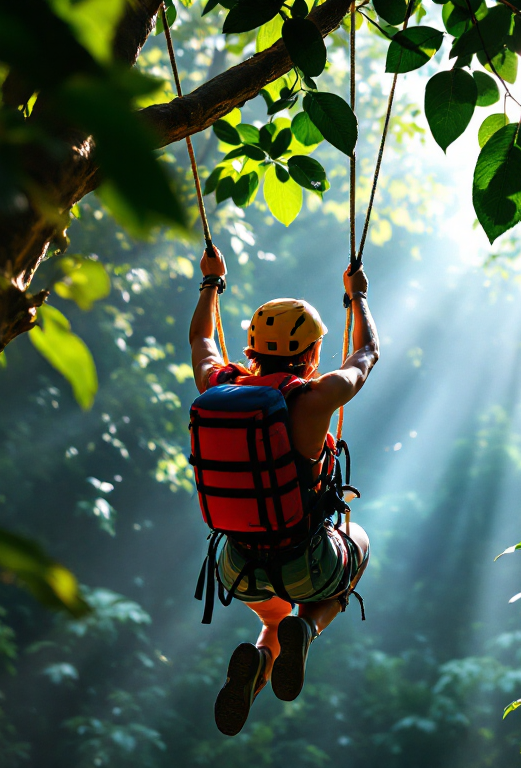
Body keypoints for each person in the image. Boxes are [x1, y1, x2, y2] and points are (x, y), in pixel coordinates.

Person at [188, 246, 379, 736]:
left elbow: (201, 339)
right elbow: (367, 355)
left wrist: (212, 281)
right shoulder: (315, 398)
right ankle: (309, 629)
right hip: (306, 562)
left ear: (251, 347)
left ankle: (257, 661)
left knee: (273, 622)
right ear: (313, 354)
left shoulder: (217, 385)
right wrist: (357, 297)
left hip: (237, 565)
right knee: (361, 544)